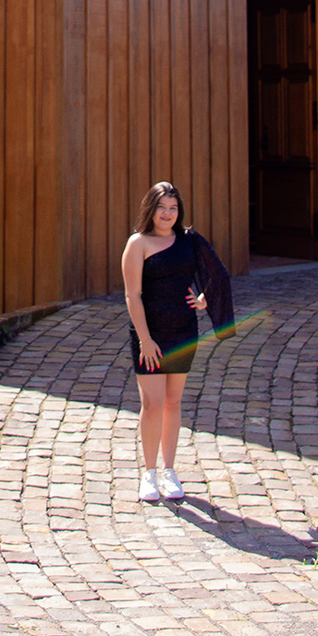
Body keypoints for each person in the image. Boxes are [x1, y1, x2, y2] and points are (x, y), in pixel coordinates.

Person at [122, 181, 234, 502]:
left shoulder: (189, 240)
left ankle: (170, 471)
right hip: (150, 334)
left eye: (173, 208)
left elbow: (217, 274)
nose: (167, 214)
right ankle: (149, 473)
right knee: (152, 403)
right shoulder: (138, 243)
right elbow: (132, 295)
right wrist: (145, 339)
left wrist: (203, 299)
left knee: (173, 402)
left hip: (184, 329)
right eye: (161, 207)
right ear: (151, 209)